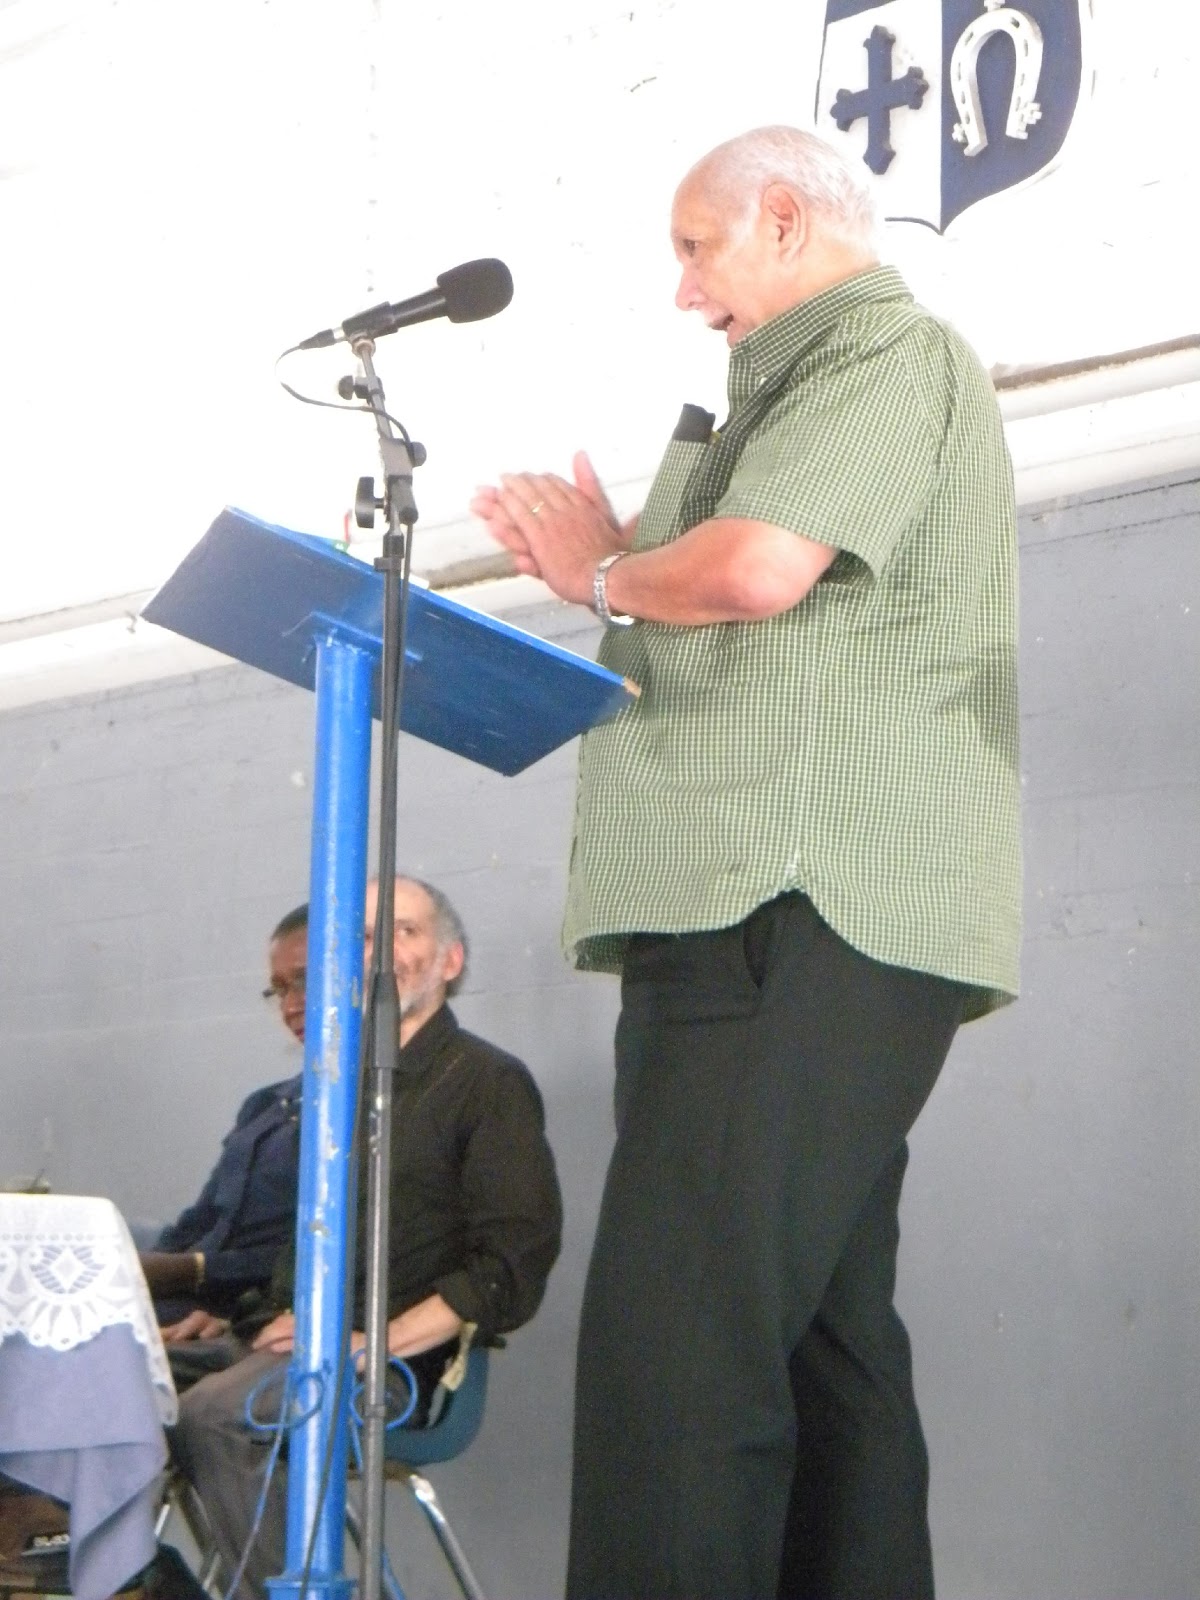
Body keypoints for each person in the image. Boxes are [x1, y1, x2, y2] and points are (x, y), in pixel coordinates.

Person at [472, 125, 1021, 1599]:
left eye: (695, 247)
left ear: (783, 218)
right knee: (826, 1351)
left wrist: (600, 571)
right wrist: (626, 561)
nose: (683, 290)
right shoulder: (797, 393)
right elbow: (730, 584)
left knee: (681, 1350)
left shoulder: (881, 352)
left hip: (789, 902)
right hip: (789, 913)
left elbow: (757, 571)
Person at [169, 877, 563, 1599]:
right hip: (282, 1341)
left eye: (404, 932)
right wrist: (233, 1315)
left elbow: (512, 1263)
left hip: (394, 1369)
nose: (380, 954)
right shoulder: (331, 1089)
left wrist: (371, 1341)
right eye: (364, 937)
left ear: (450, 960)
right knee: (101, 1382)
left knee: (217, 1416)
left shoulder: (488, 1082)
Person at [138, 906, 309, 1371]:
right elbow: (203, 1217)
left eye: (305, 982)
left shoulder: (361, 1115)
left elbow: (320, 1256)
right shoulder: (266, 1104)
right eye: (279, 990)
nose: (290, 1007)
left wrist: (194, 1272)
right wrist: (141, 1270)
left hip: (255, 1309)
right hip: (192, 1295)